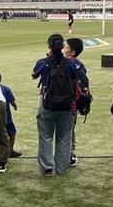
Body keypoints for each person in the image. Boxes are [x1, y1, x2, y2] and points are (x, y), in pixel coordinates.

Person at [33, 34, 79, 176]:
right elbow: (78, 77)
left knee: (45, 136)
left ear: (49, 46)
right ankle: (62, 168)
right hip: (67, 105)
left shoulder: (43, 62)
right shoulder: (71, 63)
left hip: (48, 104)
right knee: (64, 137)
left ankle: (47, 167)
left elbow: (34, 75)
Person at [65, 37, 89, 168]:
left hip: (66, 102)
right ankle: (70, 153)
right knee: (70, 129)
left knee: (65, 129)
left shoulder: (67, 64)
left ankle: (67, 154)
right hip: (73, 103)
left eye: (66, 47)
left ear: (72, 52)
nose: (63, 49)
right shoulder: (80, 65)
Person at [0, 70, 20, 161]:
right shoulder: (6, 89)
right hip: (7, 119)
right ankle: (10, 150)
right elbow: (12, 101)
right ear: (0, 79)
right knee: (12, 134)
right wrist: (14, 106)